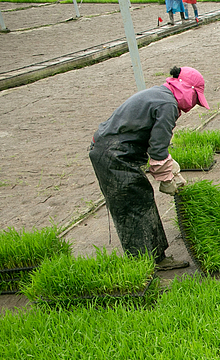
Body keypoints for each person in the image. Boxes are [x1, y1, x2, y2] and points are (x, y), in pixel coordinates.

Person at [89, 66, 209, 271]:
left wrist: (172, 169)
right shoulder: (167, 104)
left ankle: (152, 256)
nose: (194, 104)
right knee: (134, 204)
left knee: (139, 199)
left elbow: (154, 142)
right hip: (114, 154)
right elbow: (158, 148)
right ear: (187, 89)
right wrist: (166, 177)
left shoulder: (160, 94)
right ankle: (146, 262)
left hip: (111, 149)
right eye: (195, 98)